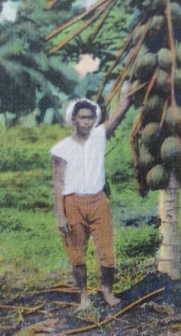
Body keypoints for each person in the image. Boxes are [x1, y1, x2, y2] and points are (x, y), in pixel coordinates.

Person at [50, 91, 129, 310]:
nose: (86, 121)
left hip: (98, 201)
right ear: (74, 120)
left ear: (95, 120)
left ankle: (107, 291)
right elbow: (57, 183)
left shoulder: (99, 136)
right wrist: (60, 215)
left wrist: (126, 93)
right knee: (76, 254)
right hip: (72, 203)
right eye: (82, 118)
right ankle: (84, 295)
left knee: (107, 252)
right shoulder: (61, 149)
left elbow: (118, 115)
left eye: (90, 118)